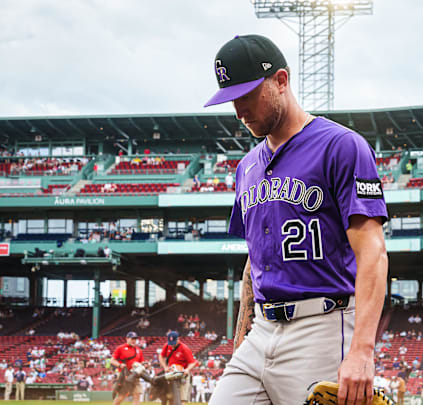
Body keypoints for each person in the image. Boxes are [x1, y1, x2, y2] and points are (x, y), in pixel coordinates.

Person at [204, 35, 388, 405]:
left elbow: (373, 252)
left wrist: (362, 351)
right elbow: (253, 262)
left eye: (247, 95)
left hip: (322, 323)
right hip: (263, 329)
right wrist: (242, 338)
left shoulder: (342, 146)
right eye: (231, 99)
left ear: (281, 81)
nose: (239, 111)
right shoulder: (246, 168)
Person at [159, 331, 198, 404]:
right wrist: (165, 366)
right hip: (172, 374)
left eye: (173, 343)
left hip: (183, 374)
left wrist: (187, 369)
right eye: (171, 343)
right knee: (171, 397)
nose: (172, 345)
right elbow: (161, 356)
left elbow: (193, 362)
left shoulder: (184, 348)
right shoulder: (167, 345)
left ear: (178, 339)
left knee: (182, 399)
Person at [110, 331, 145, 405]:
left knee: (137, 395)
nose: (134, 341)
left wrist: (145, 364)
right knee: (121, 396)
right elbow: (112, 360)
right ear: (127, 339)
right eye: (132, 339)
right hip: (124, 375)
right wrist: (120, 365)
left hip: (136, 375)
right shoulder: (120, 348)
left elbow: (141, 362)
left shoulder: (139, 350)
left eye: (135, 339)